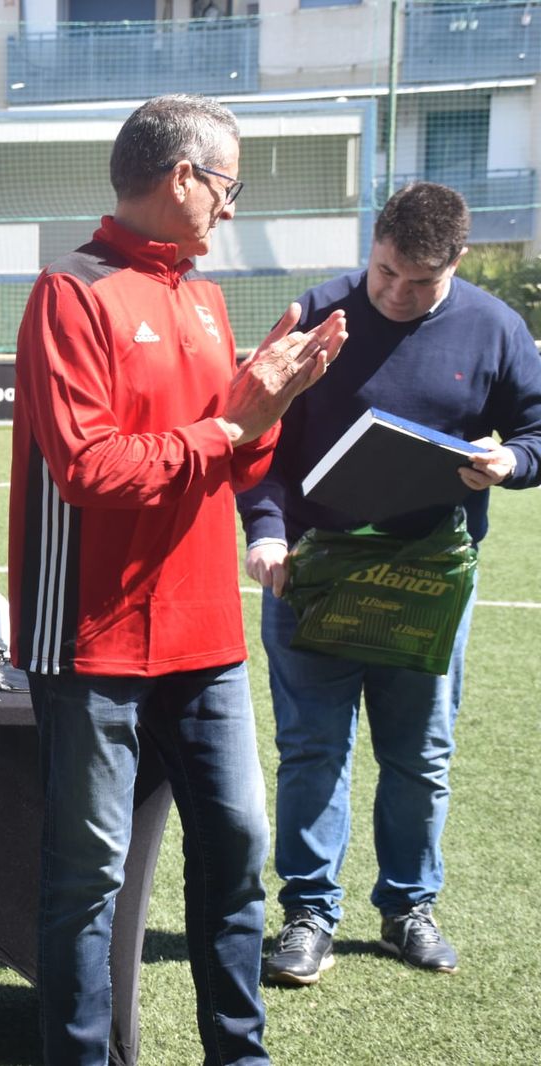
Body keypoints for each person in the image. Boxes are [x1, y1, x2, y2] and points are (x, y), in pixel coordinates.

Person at [6, 94, 347, 1065]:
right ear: (181, 177)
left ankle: (236, 1052)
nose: (231, 209)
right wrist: (229, 424)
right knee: (86, 877)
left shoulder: (201, 295)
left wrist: (272, 405)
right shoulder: (69, 293)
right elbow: (89, 468)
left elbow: (232, 465)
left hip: (205, 637)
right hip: (88, 639)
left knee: (236, 849)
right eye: (227, 185)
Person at [239, 182, 541, 986]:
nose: (398, 295)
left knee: (421, 754)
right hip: (313, 573)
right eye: (384, 274)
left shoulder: (495, 327)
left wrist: (510, 463)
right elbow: (259, 444)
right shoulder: (317, 314)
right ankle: (309, 914)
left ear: (459, 263)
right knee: (311, 750)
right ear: (370, 246)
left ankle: (408, 906)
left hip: (429, 580)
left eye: (421, 282)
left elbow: (539, 430)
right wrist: (266, 535)